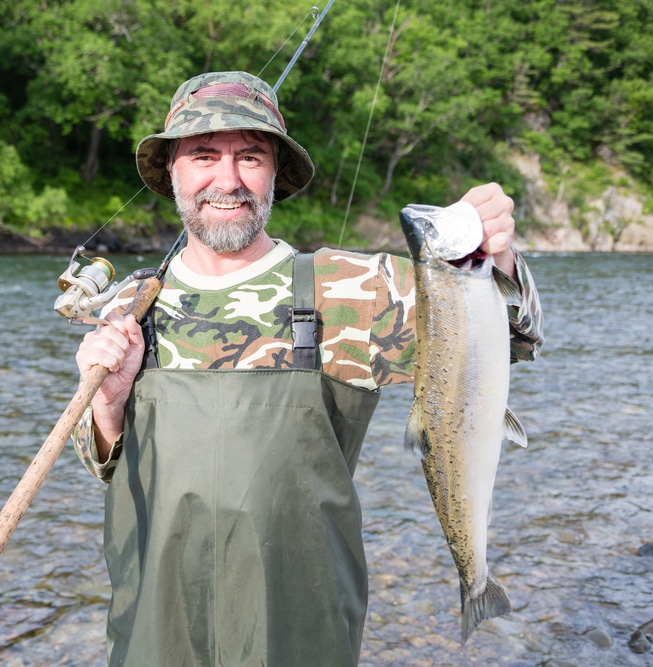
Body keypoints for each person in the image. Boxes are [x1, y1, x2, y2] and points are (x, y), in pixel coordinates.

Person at [71, 71, 543, 666]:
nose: (228, 179)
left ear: (275, 174)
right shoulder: (128, 307)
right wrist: (107, 406)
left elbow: (514, 341)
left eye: (250, 156)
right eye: (203, 156)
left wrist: (499, 258)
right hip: (156, 627)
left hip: (300, 634)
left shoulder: (354, 287)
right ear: (171, 171)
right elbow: (103, 464)